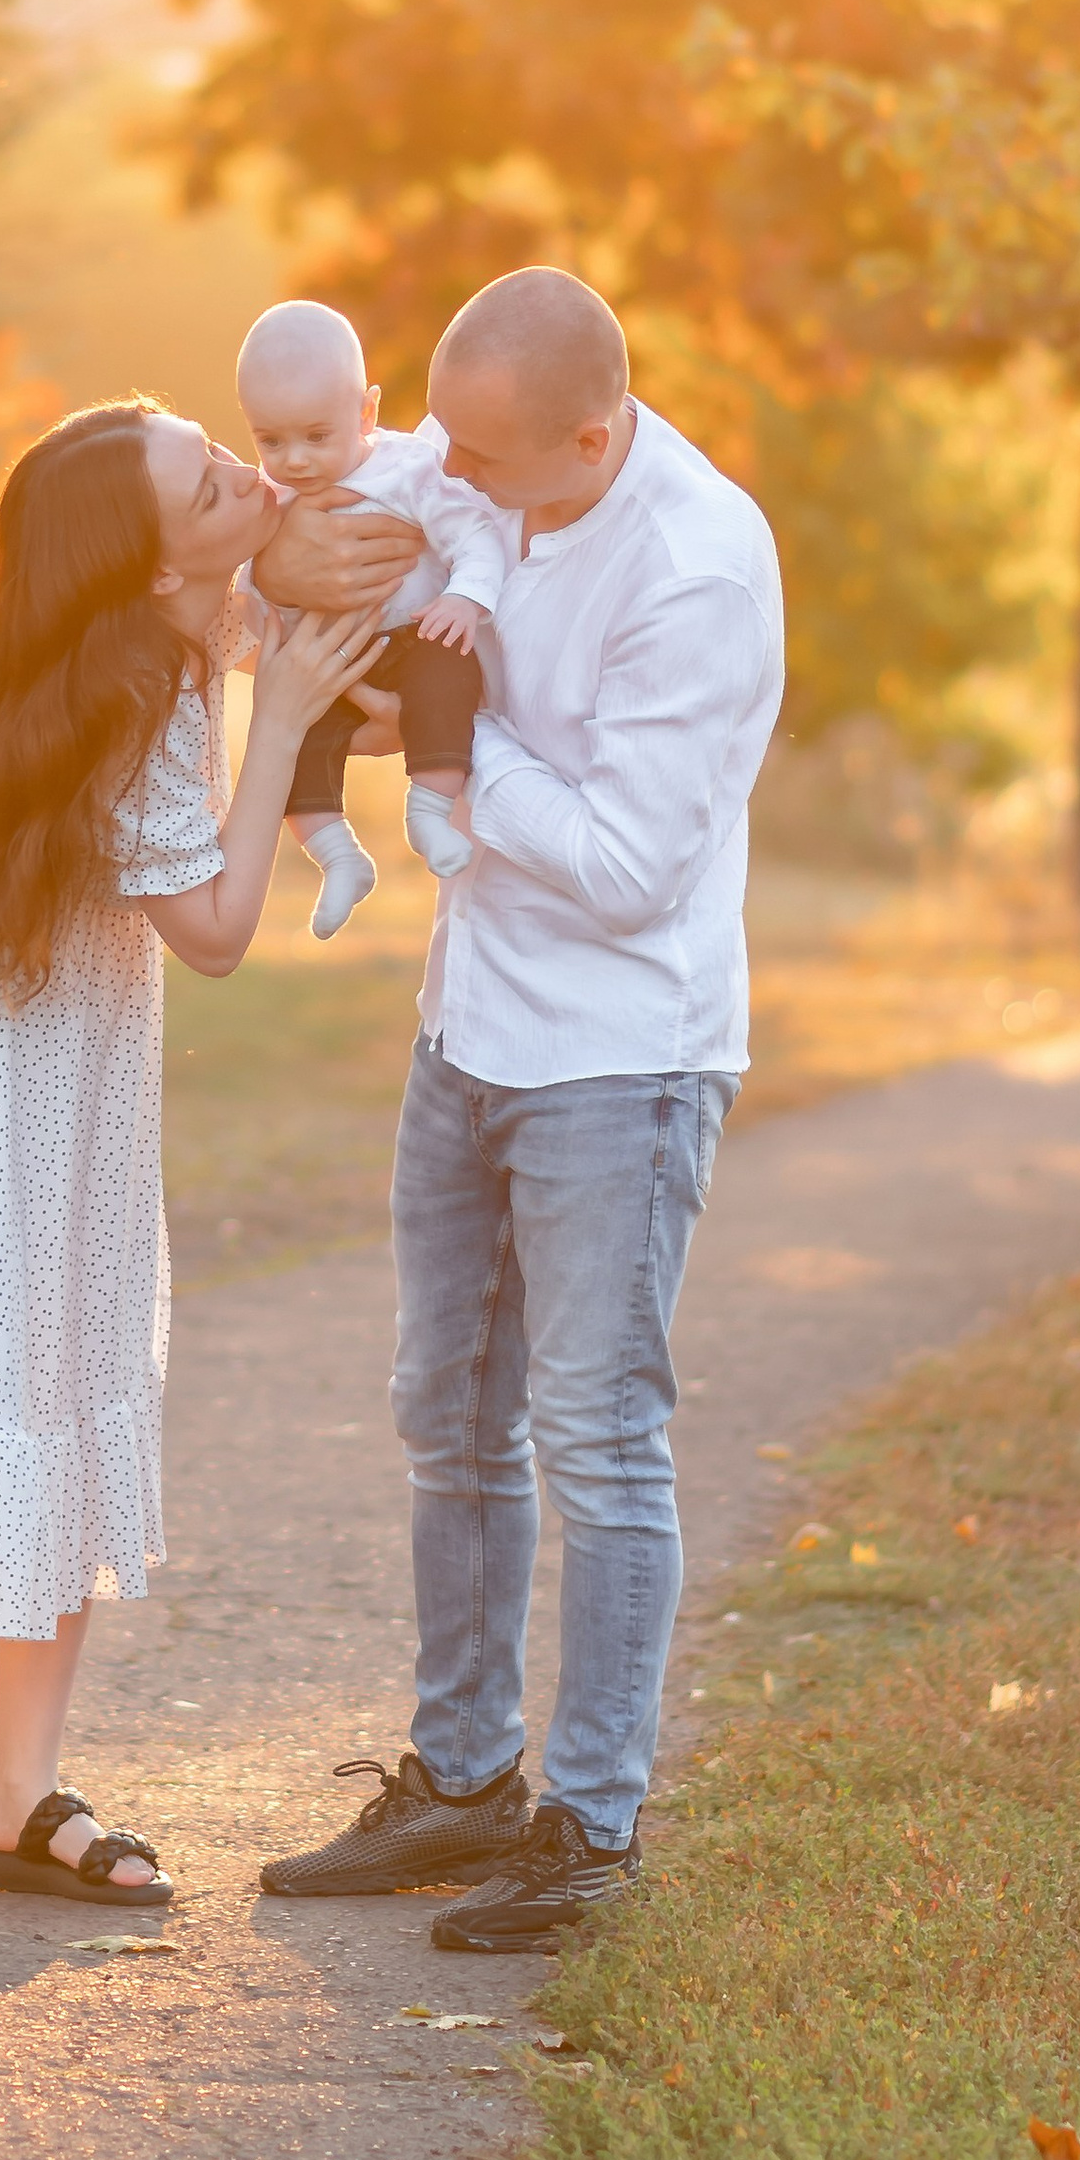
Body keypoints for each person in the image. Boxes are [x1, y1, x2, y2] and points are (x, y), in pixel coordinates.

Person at [0, 399, 382, 1944]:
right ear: (146, 554)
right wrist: (285, 719)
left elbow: (329, 548)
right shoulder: (123, 679)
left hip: (76, 1070)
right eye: (204, 476)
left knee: (74, 1378)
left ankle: (22, 1802)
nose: (239, 469)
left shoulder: (187, 621)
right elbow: (223, 933)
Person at [254, 268, 784, 1951]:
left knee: (598, 1436)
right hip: (471, 1029)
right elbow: (349, 502)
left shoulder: (697, 564)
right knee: (446, 1411)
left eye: (484, 458)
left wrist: (452, 756)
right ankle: (464, 1775)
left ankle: (591, 1819)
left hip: (620, 1057)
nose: (449, 477)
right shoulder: (485, 459)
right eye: (445, 442)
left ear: (592, 431)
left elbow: (634, 868)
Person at [234, 297, 508, 938]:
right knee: (291, 736)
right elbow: (240, 594)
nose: (295, 460)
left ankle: (431, 809)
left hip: (417, 636)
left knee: (450, 675)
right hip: (328, 656)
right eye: (270, 441)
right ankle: (338, 859)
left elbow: (475, 534)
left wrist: (465, 597)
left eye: (316, 436)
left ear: (366, 412)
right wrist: (268, 570)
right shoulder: (267, 500)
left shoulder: (409, 468)